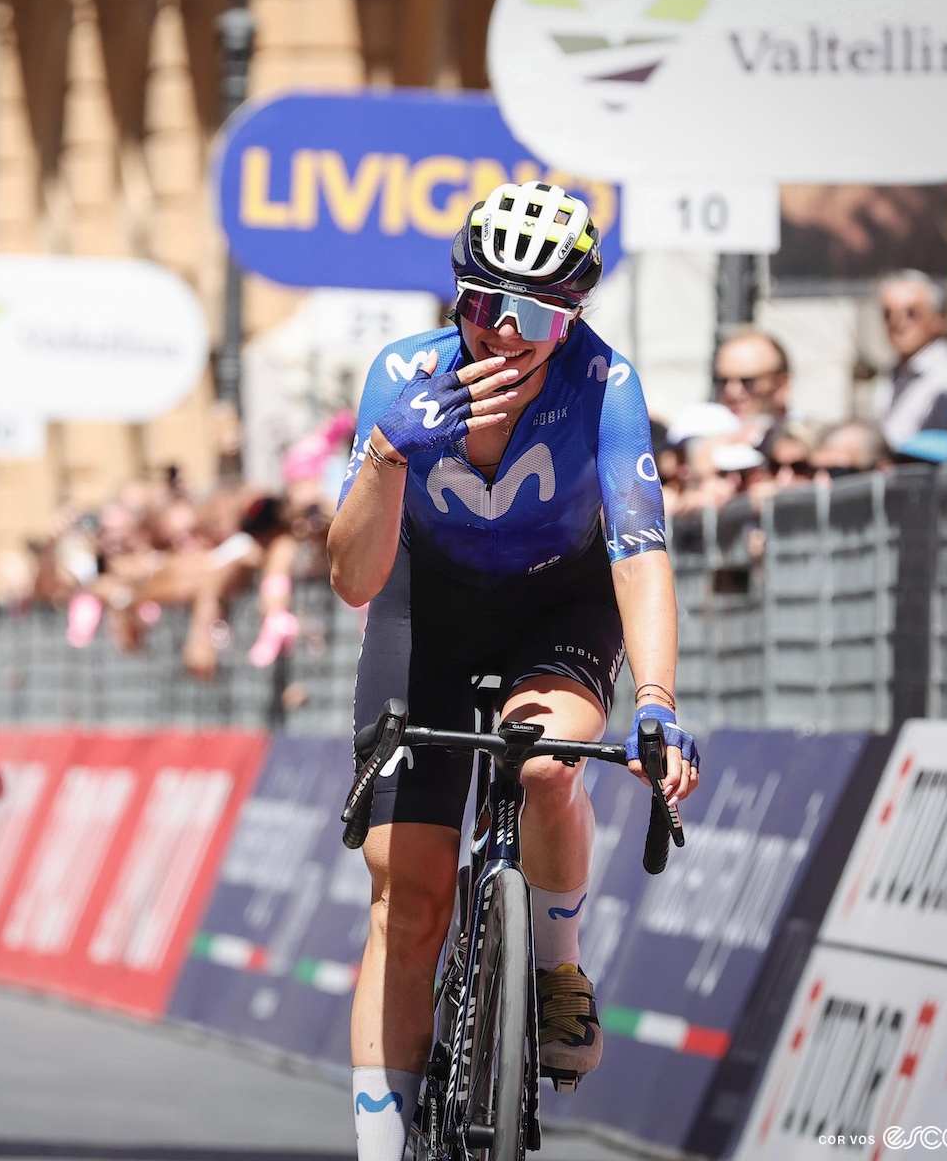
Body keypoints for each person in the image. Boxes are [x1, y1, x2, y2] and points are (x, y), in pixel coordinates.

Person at [327, 182, 700, 1161]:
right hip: (428, 608)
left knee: (546, 764)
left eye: (535, 313)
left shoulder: (604, 383)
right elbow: (351, 577)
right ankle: (379, 1147)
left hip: (556, 602)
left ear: (572, 315)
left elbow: (639, 548)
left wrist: (656, 699)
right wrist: (382, 457)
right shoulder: (402, 373)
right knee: (407, 901)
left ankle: (559, 961)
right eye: (481, 304)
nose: (502, 332)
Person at [875, 269, 947, 451]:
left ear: (940, 319)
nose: (897, 322)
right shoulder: (895, 373)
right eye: (888, 314)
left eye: (912, 313)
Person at [712, 330, 792, 448]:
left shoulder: (809, 450)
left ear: (781, 385)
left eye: (748, 381)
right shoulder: (702, 432)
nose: (732, 392)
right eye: (723, 381)